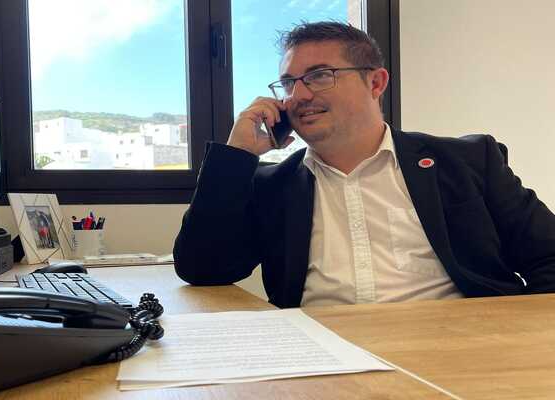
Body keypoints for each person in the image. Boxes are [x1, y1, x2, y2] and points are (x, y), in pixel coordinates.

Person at [173, 21, 555, 308]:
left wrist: (518, 335)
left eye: (319, 76)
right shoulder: (273, 185)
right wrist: (237, 155)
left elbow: (548, 256)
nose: (299, 95)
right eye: (288, 83)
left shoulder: (467, 161)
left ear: (376, 83)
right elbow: (203, 269)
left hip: (457, 349)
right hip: (323, 357)